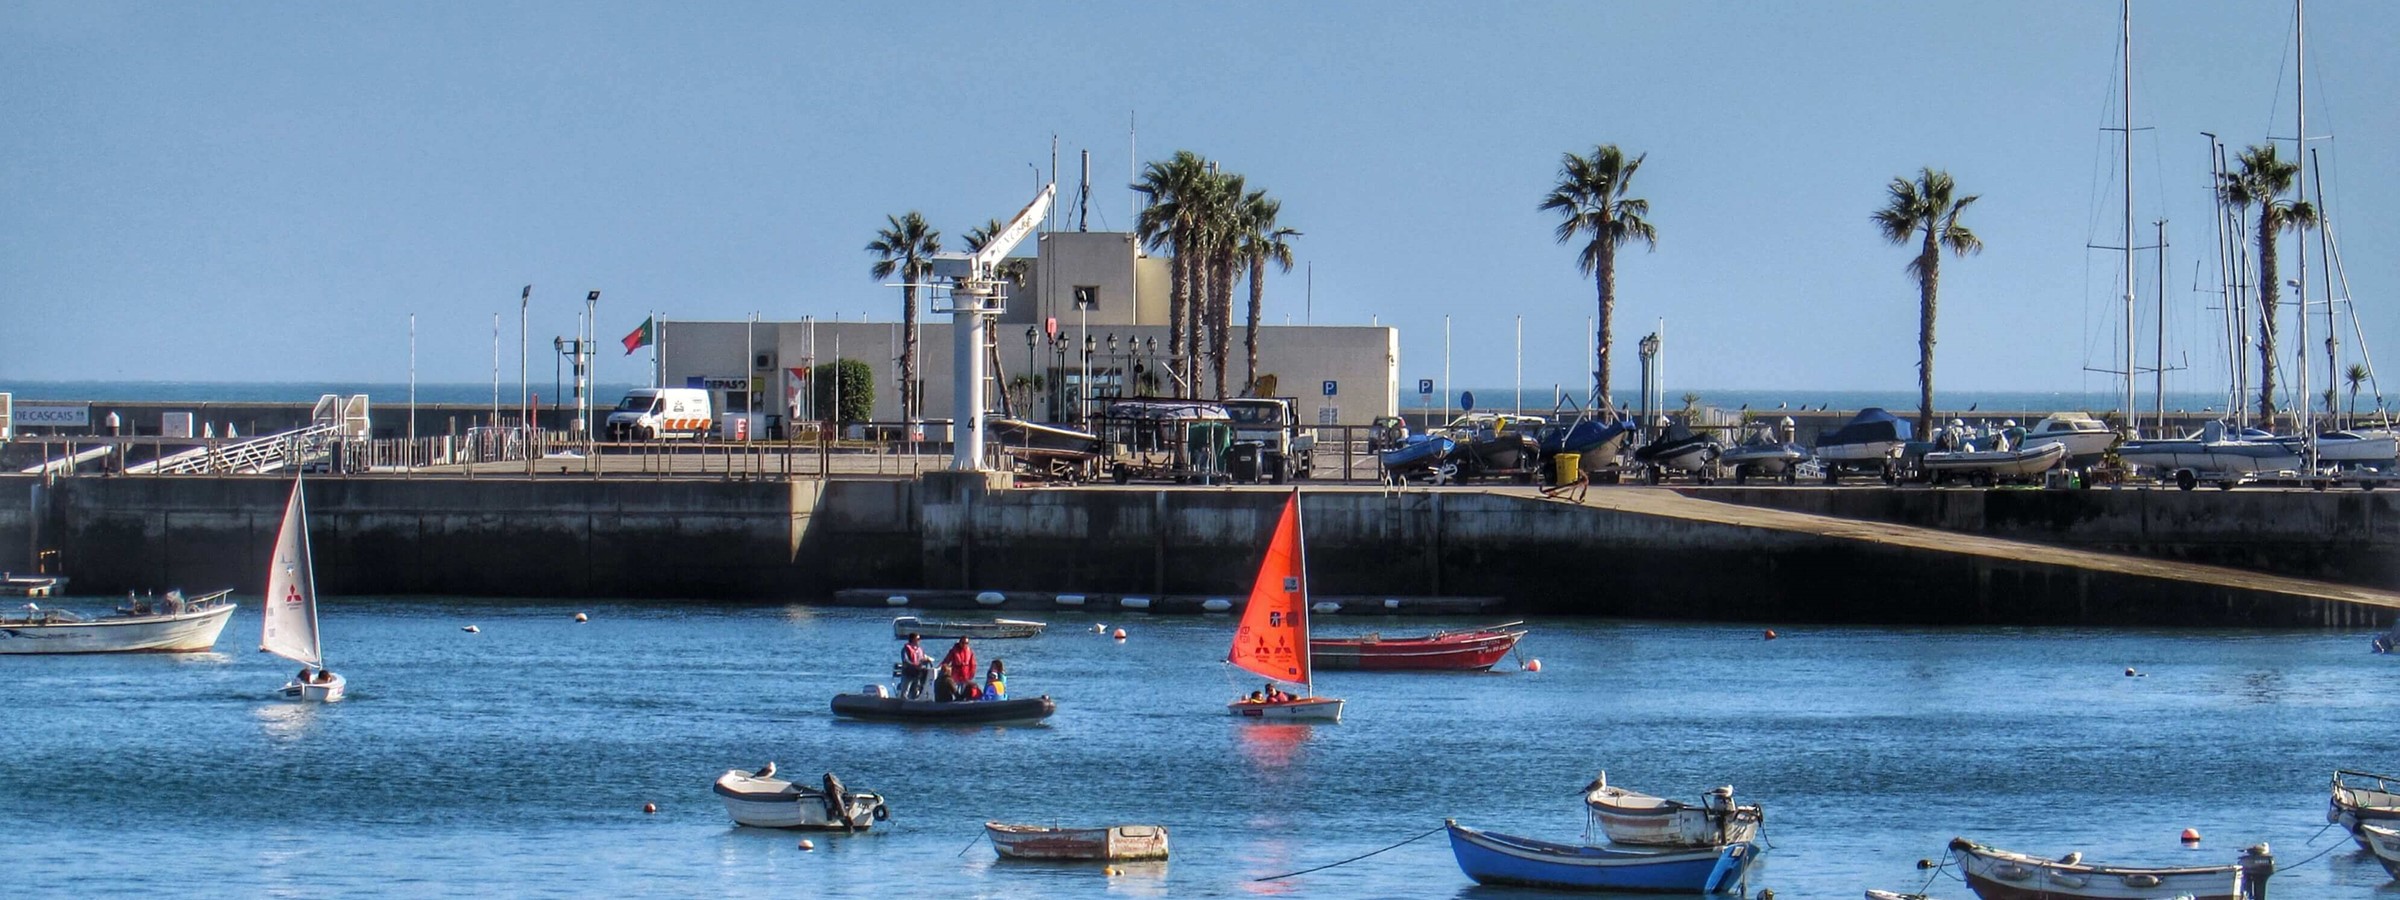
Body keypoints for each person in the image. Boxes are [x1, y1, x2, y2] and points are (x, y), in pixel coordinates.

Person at [898, 634, 932, 700]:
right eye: (918, 639)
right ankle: (902, 705)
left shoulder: (920, 649)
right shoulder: (905, 649)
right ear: (913, 639)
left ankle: (914, 704)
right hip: (908, 673)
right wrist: (915, 665)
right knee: (905, 692)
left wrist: (926, 660)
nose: (919, 641)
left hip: (918, 674)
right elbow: (905, 661)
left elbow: (922, 658)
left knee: (916, 691)